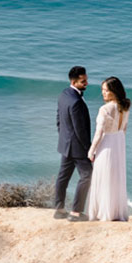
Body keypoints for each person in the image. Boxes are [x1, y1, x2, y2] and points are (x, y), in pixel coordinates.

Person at [84, 76, 132, 222]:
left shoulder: (104, 109)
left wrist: (91, 150)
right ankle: (115, 212)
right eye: (102, 90)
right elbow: (124, 128)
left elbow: (99, 133)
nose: (103, 93)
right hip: (119, 142)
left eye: (106, 90)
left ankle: (103, 213)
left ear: (114, 91)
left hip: (107, 143)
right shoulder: (125, 106)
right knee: (116, 177)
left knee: (104, 176)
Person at [54, 66, 92, 219]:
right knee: (88, 176)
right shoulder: (76, 102)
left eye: (86, 80)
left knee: (63, 176)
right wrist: (89, 149)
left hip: (65, 144)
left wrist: (64, 138)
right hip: (78, 148)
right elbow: (80, 130)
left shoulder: (64, 94)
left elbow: (58, 120)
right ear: (74, 82)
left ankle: (59, 209)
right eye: (83, 81)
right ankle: (76, 212)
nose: (87, 83)